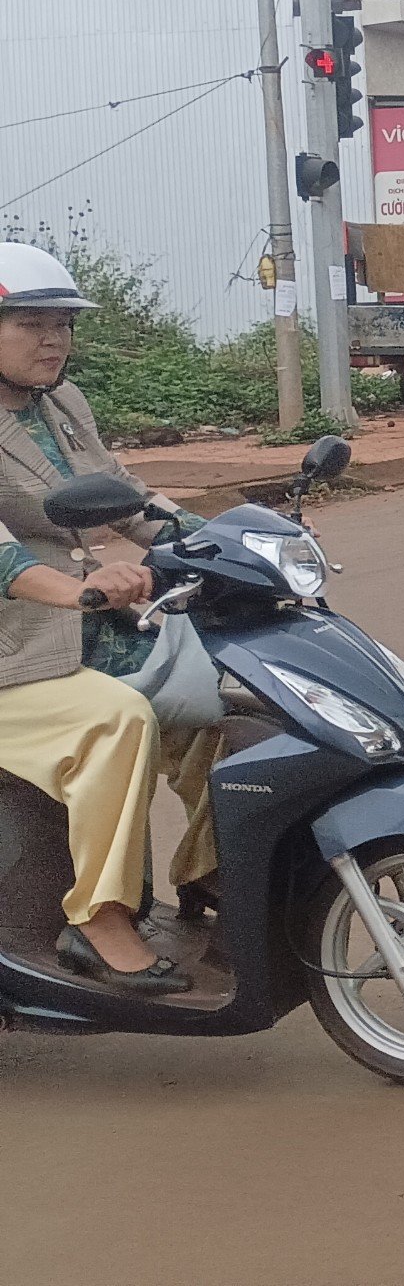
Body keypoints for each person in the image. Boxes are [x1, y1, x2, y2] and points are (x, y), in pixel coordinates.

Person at [0, 243, 218, 994]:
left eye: (61, 323)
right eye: (30, 323)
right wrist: (79, 591)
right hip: (16, 652)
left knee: (223, 699)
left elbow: (123, 495)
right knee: (116, 719)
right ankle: (98, 918)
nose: (54, 339)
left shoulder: (62, 405)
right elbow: (4, 558)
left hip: (83, 631)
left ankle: (208, 873)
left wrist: (225, 540)